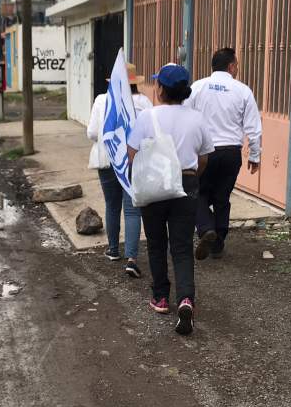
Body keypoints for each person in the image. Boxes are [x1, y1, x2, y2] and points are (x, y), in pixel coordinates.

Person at [127, 64, 214, 335]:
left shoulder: (146, 117)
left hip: (154, 183)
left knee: (156, 244)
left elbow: (132, 155)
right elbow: (203, 159)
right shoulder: (197, 119)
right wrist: (190, 178)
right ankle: (186, 299)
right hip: (186, 184)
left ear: (161, 89)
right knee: (182, 247)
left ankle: (161, 297)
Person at [185, 48, 262, 260]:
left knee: (197, 192)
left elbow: (185, 116)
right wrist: (254, 156)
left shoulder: (198, 87)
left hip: (204, 153)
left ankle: (205, 228)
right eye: (236, 65)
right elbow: (253, 128)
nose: (237, 69)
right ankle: (218, 242)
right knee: (222, 197)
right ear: (231, 66)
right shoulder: (243, 91)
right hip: (231, 153)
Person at [87, 63, 153, 278]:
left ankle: (113, 250)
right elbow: (151, 134)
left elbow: (92, 133)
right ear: (134, 82)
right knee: (132, 210)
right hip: (133, 160)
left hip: (107, 159)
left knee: (112, 205)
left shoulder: (101, 100)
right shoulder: (144, 102)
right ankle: (132, 259)